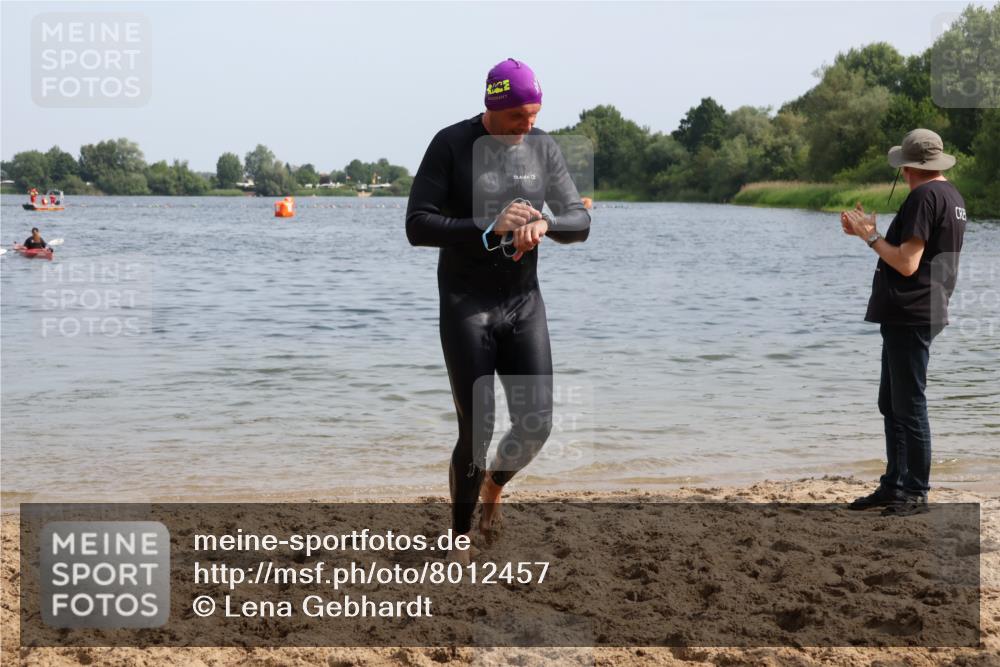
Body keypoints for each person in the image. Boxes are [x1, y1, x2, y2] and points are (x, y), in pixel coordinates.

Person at [406, 58, 590, 562]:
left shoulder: (543, 148)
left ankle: (495, 485)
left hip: (522, 302)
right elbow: (418, 225)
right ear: (494, 106)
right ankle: (459, 539)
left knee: (537, 422)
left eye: (535, 114)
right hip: (467, 305)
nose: (528, 125)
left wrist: (546, 225)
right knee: (477, 427)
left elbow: (580, 220)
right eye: (519, 117)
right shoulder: (450, 145)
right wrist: (490, 226)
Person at [841, 129, 966, 516]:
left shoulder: (924, 197)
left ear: (909, 168)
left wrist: (870, 235)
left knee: (908, 405)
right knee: (892, 403)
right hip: (923, 309)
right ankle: (894, 484)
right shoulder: (952, 196)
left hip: (911, 312)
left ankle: (914, 491)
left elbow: (908, 263)